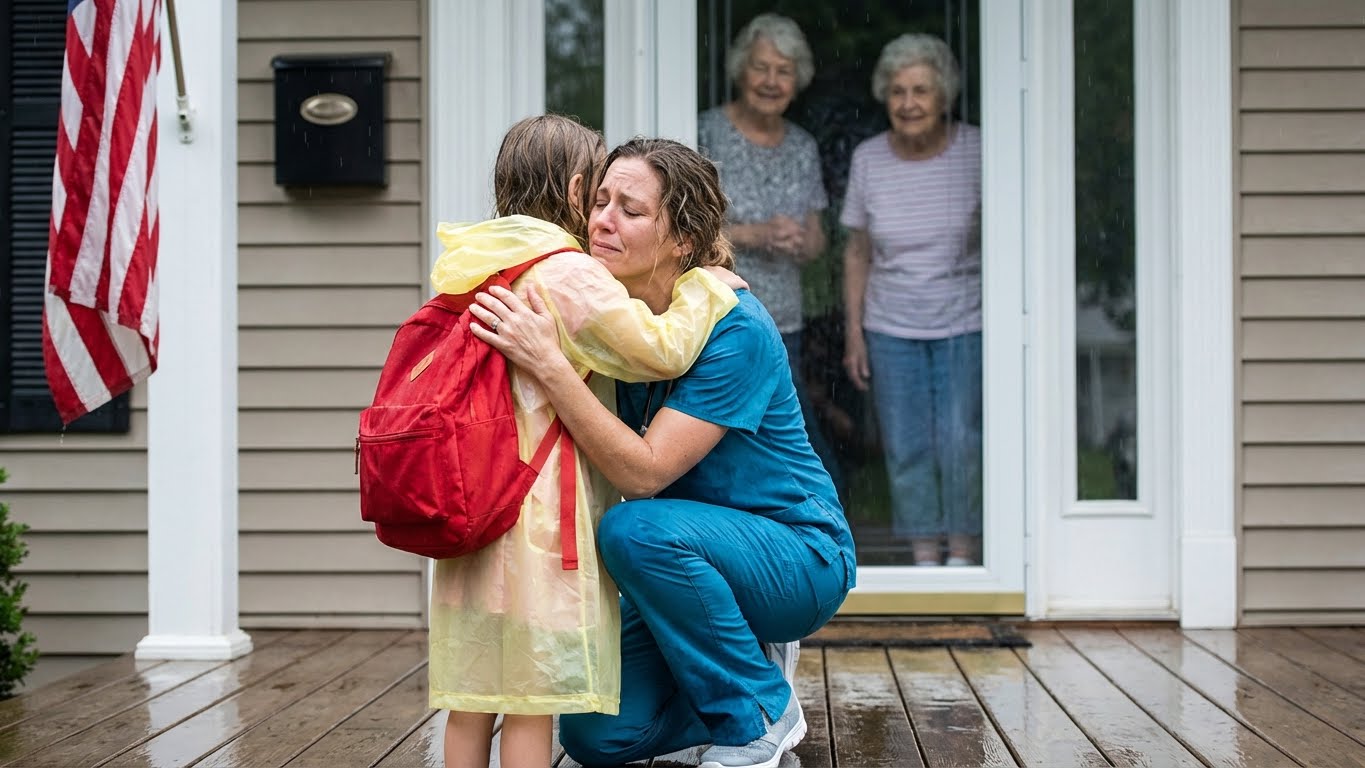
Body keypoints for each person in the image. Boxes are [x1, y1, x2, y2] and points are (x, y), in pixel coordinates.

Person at [471, 138, 856, 768]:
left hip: (797, 557)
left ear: (683, 240)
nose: (603, 221)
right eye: (599, 202)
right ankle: (747, 673)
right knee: (596, 737)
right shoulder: (616, 329)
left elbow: (644, 473)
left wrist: (549, 365)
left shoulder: (736, 328)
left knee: (632, 527)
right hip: (684, 553)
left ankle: (759, 714)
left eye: (631, 210)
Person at [428, 115, 742, 768]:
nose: (603, 215)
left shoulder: (480, 263)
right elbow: (658, 350)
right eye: (599, 195)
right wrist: (705, 289)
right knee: (531, 698)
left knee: (472, 698)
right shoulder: (565, 273)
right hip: (535, 521)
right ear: (577, 191)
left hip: (474, 503)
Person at [840, 33, 983, 567]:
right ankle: (925, 557)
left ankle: (963, 554)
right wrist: (854, 333)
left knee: (960, 441)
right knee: (906, 446)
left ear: (944, 96)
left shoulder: (977, 150)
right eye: (898, 92)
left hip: (964, 321)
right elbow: (857, 251)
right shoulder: (869, 159)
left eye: (921, 91)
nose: (908, 103)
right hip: (891, 325)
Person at [696, 13, 842, 494]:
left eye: (784, 71)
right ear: (741, 70)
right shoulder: (707, 133)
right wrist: (757, 234)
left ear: (798, 81)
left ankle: (806, 516)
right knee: (730, 435)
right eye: (761, 67)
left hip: (784, 319)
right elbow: (683, 226)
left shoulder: (801, 146)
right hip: (717, 311)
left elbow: (819, 238)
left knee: (785, 434)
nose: (771, 81)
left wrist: (802, 240)